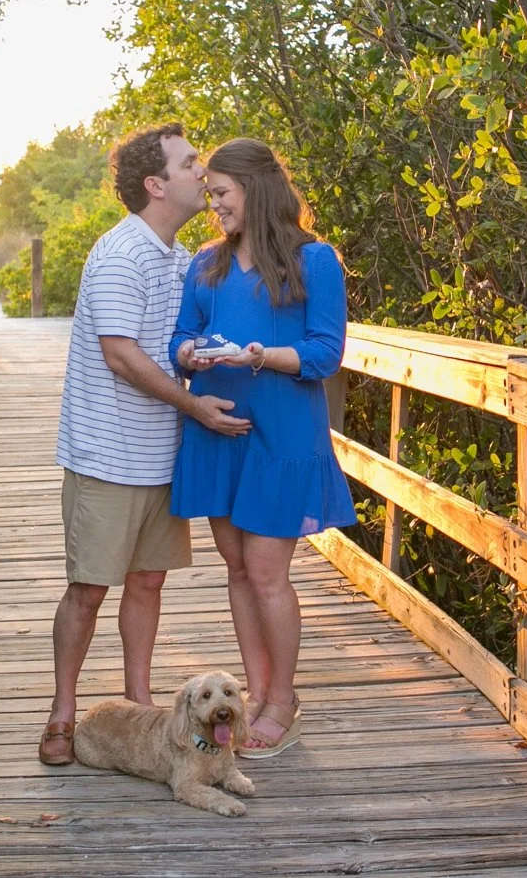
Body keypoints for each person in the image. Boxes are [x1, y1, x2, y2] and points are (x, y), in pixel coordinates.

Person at [40, 123, 253, 766]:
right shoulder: (119, 255)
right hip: (106, 455)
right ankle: (62, 713)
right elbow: (121, 357)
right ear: (156, 185)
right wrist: (195, 405)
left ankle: (137, 704)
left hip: (161, 452)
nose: (201, 172)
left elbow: (181, 341)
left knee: (148, 583)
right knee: (88, 588)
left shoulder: (182, 259)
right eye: (190, 164)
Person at [168, 137, 355, 759]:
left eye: (221, 193)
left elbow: (326, 353)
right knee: (240, 570)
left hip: (281, 436)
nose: (213, 205)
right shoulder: (207, 264)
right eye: (210, 194)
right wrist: (188, 355)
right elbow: (181, 337)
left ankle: (283, 702)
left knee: (269, 573)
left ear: (257, 189)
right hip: (219, 433)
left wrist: (260, 357)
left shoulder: (316, 261)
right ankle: (253, 695)